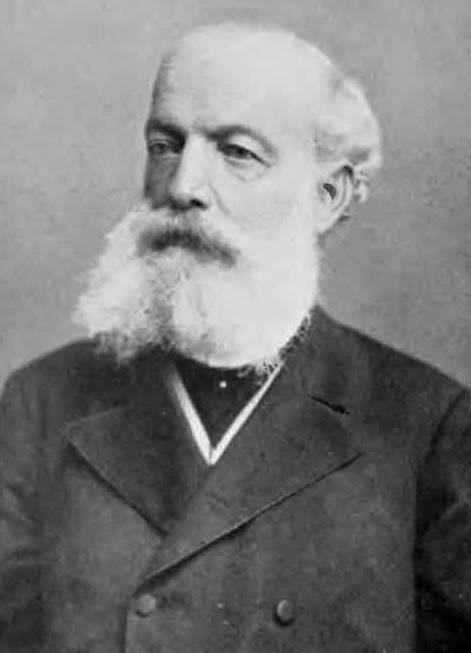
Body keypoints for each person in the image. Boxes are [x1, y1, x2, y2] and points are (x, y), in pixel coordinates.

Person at [0, 21, 470, 653]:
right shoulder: (39, 404)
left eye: (238, 152)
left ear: (327, 196)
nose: (183, 186)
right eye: (165, 145)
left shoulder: (429, 428)